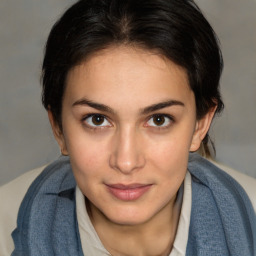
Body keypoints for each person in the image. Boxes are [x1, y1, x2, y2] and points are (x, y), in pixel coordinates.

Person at [0, 0, 255, 255]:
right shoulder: (5, 224)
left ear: (200, 125)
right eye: (97, 120)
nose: (126, 162)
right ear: (58, 128)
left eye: (159, 120)